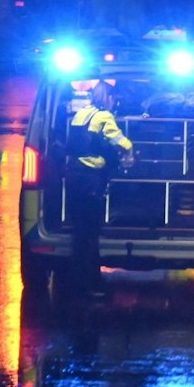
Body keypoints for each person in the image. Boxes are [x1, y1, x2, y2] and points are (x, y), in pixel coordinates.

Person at [65, 80, 136, 295]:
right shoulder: (104, 116)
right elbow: (120, 141)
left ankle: (78, 282)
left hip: (74, 177)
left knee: (79, 233)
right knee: (90, 234)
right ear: (109, 98)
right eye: (113, 98)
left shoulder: (83, 113)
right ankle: (91, 283)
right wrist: (131, 152)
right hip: (90, 180)